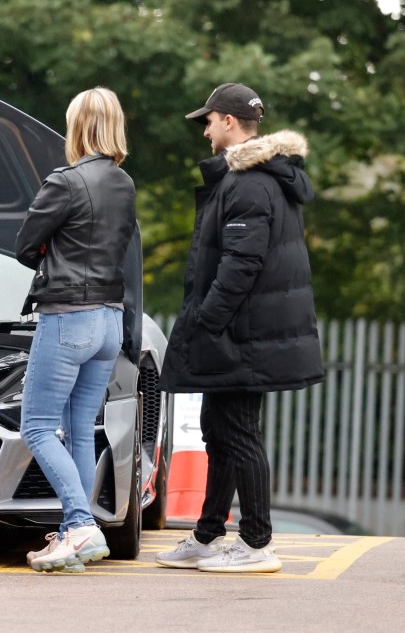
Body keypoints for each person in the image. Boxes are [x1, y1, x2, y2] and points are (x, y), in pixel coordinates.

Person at [156, 83, 325, 573]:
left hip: (240, 335)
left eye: (208, 121)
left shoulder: (250, 181)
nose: (205, 130)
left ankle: (256, 543)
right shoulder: (258, 177)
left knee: (238, 432)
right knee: (219, 429)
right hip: (243, 333)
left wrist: (207, 321)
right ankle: (208, 535)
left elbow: (241, 265)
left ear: (229, 121)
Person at [15, 87, 136, 573]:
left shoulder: (64, 182)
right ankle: (73, 535)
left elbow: (26, 245)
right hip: (109, 319)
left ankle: (82, 524)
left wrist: (52, 252)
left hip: (68, 318)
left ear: (78, 126)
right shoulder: (124, 183)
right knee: (80, 430)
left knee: (38, 428)